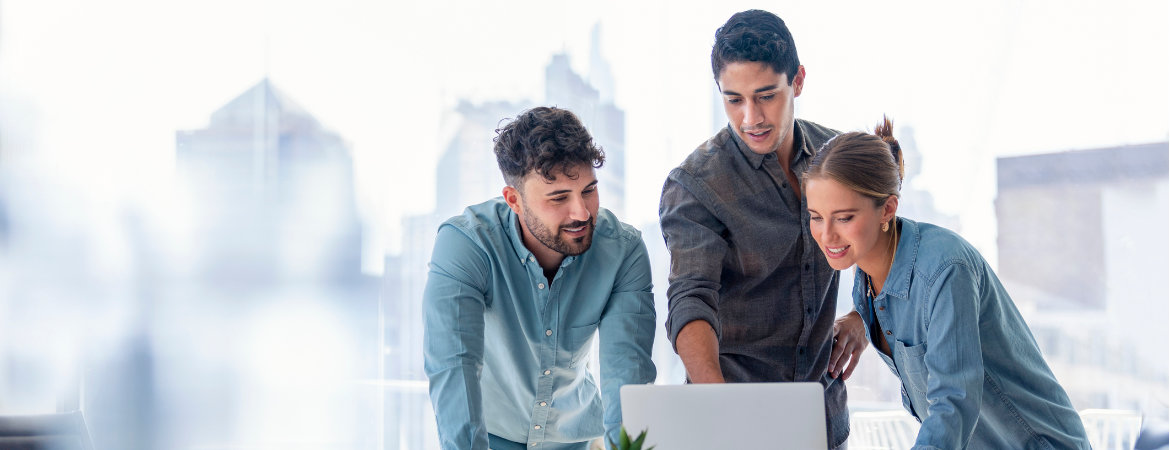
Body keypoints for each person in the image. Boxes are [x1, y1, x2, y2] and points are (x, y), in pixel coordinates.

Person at [803, 117, 1091, 449]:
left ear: (887, 209)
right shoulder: (866, 270)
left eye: (844, 218)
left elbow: (952, 403)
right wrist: (859, 318)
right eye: (816, 216)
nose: (826, 235)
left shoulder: (945, 268)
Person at [658, 9, 865, 448]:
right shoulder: (697, 185)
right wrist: (721, 406)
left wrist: (863, 316)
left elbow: (885, 242)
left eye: (766, 95)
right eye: (734, 99)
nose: (751, 117)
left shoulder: (840, 158)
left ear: (799, 81)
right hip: (733, 418)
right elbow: (691, 298)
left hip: (824, 418)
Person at [423, 106, 656, 450]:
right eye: (559, 197)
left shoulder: (624, 250)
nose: (581, 213)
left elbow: (627, 375)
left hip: (574, 439)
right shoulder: (466, 244)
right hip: (489, 437)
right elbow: (454, 368)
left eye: (588, 191)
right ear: (514, 200)